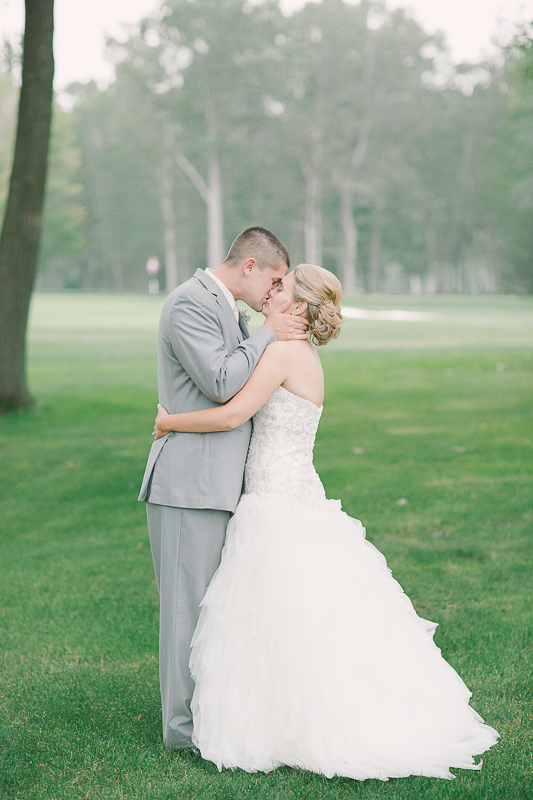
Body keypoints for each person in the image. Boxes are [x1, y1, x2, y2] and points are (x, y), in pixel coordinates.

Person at [152, 263, 499, 781]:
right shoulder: (301, 354)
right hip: (294, 493)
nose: (270, 293)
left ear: (296, 307)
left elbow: (230, 413)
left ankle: (292, 724)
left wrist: (168, 421)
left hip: (274, 499)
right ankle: (286, 715)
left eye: (281, 288)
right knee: (294, 615)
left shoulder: (284, 352)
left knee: (277, 616)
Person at [138, 227, 308, 750]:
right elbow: (218, 380)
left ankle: (209, 716)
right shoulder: (188, 302)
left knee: (213, 610)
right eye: (275, 280)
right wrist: (266, 333)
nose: (275, 295)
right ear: (251, 266)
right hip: (189, 481)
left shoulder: (228, 310)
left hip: (219, 483)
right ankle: (182, 733)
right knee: (186, 611)